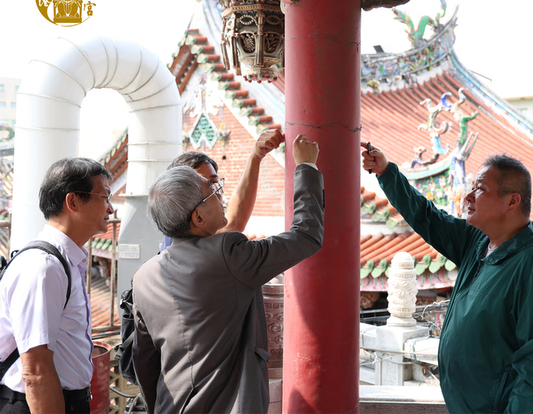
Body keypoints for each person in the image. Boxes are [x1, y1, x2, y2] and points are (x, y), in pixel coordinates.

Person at [361, 144, 533, 414]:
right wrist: (387, 172)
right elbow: (427, 217)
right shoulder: (478, 241)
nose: (468, 196)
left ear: (512, 201)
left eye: (480, 189)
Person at [132, 134, 324, 413]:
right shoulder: (228, 254)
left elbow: (145, 361)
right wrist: (306, 167)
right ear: (197, 218)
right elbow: (306, 236)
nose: (221, 195)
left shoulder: (144, 276)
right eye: (213, 191)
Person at [0, 158, 114, 414]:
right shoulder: (44, 268)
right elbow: (36, 372)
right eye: (105, 197)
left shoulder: (64, 261)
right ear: (73, 201)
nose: (111, 209)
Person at [159, 128, 285, 251]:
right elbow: (233, 223)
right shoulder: (182, 245)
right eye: (204, 186)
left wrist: (256, 156)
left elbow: (233, 223)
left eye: (214, 184)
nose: (216, 195)